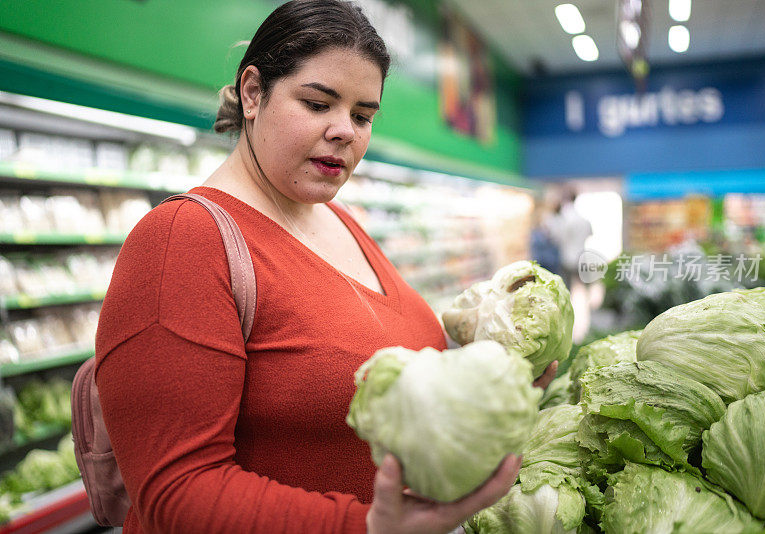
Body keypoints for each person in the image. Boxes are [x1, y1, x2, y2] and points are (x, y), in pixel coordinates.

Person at [94, 2, 530, 533]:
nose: (344, 130)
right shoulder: (182, 240)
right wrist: (370, 526)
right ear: (253, 93)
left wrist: (496, 381)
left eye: (363, 115)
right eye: (318, 103)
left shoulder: (342, 220)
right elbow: (175, 493)